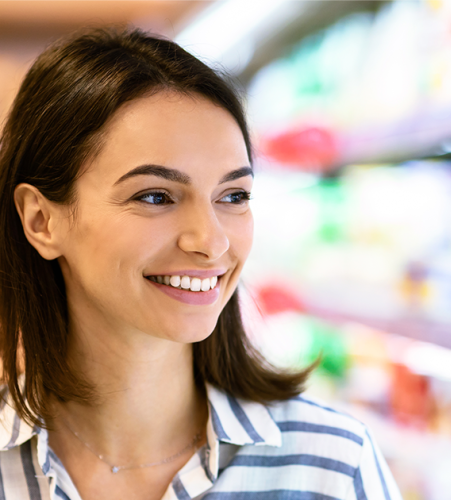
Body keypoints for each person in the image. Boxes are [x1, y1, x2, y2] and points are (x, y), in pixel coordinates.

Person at [0, 27, 401, 500]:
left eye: (234, 196)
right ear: (42, 220)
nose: (210, 242)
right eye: (155, 196)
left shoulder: (332, 465)